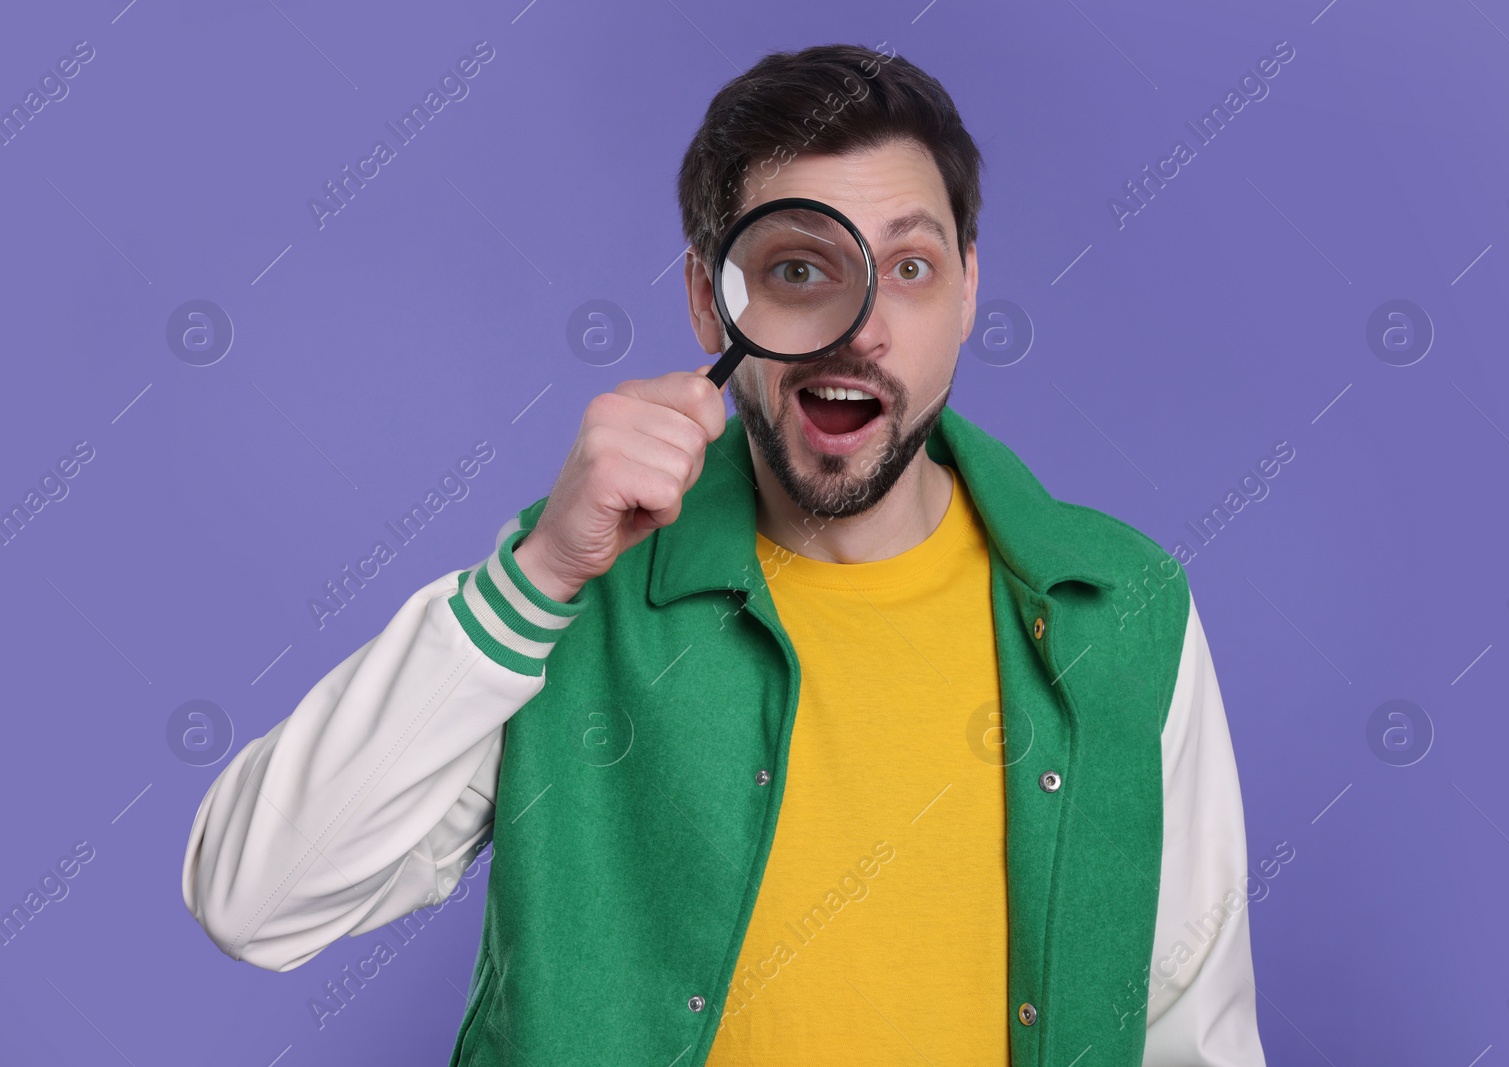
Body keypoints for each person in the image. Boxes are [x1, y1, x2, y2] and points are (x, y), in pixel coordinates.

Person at [182, 42, 1267, 1066]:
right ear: (712, 299)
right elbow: (254, 898)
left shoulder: (1117, 606)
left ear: (970, 290)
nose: (860, 327)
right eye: (802, 268)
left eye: (911, 266)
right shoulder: (575, 584)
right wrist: (539, 576)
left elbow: (1193, 1029)